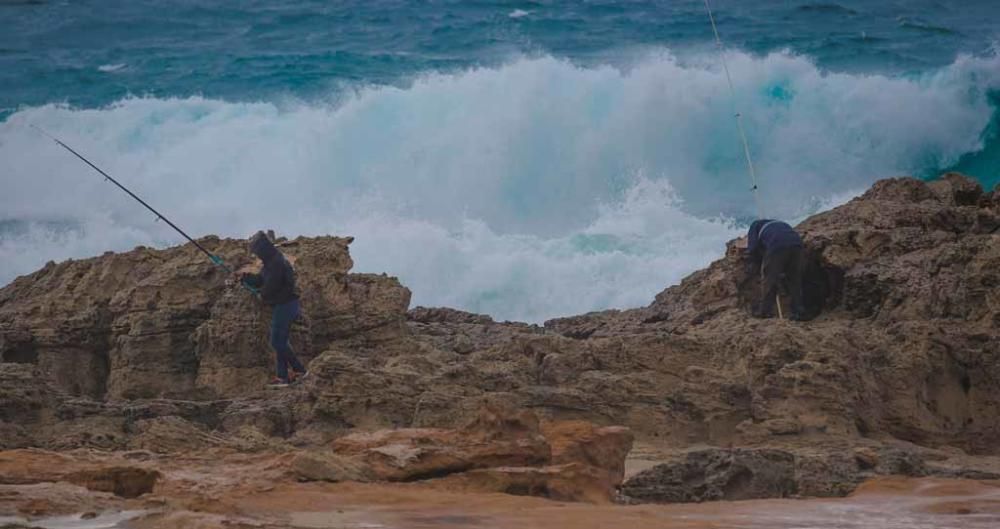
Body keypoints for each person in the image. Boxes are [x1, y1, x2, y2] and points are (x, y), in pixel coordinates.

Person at [240, 231, 307, 388]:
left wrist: (261, 295)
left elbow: (271, 285)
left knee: (277, 342)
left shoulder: (277, 263)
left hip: (287, 305)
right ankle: (282, 377)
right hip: (283, 305)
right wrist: (246, 278)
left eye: (256, 250)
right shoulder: (270, 262)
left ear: (263, 248)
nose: (255, 253)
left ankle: (300, 370)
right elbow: (261, 280)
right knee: (281, 342)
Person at [745, 219, 805, 321]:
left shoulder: (754, 226)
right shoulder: (779, 224)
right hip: (797, 244)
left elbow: (753, 248)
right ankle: (799, 311)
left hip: (777, 245)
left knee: (769, 280)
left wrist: (755, 263)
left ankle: (765, 311)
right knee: (794, 279)